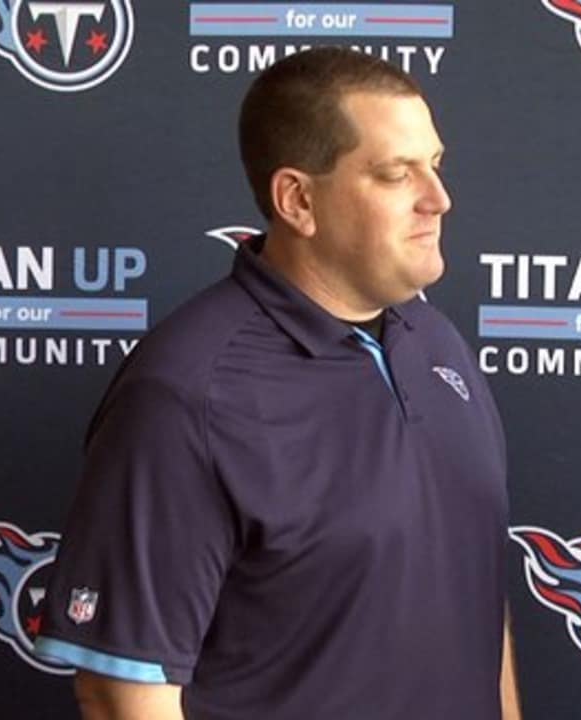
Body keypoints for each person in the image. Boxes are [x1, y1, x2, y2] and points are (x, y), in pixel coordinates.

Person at [34, 48, 520, 719]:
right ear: (298, 199)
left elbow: (473, 598)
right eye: (394, 174)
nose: (439, 199)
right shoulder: (185, 395)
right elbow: (124, 697)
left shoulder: (437, 345)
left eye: (434, 165)